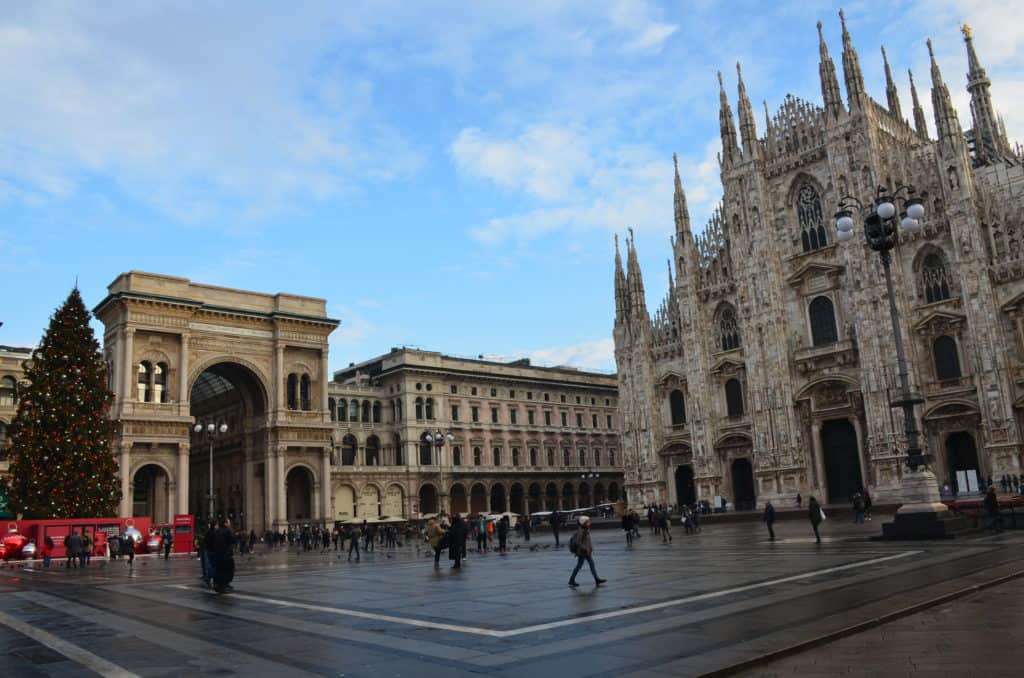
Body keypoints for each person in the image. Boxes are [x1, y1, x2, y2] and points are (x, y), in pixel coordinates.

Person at [568, 517, 605, 587]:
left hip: (587, 552)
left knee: (591, 565)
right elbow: (577, 542)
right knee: (579, 566)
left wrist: (590, 548)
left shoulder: (585, 530)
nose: (589, 522)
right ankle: (571, 580)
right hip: (583, 552)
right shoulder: (581, 531)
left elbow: (587, 541)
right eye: (588, 522)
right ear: (584, 523)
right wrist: (585, 548)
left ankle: (597, 579)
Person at [210, 519, 236, 593]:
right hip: (226, 554)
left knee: (219, 570)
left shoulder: (217, 531)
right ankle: (223, 586)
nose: (230, 524)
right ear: (225, 523)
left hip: (218, 554)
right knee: (228, 570)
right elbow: (233, 540)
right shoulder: (228, 531)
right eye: (228, 522)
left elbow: (213, 542)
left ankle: (218, 585)